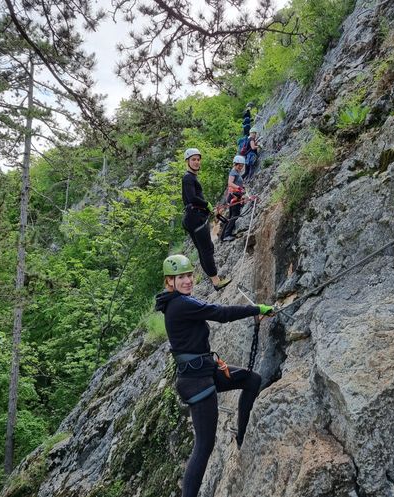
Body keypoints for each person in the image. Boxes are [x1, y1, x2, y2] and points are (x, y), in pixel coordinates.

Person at [155, 254, 274, 497]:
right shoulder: (181, 304)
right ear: (170, 281)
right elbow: (220, 313)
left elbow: (191, 342)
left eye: (189, 275)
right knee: (204, 445)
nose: (188, 280)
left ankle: (242, 437)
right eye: (181, 277)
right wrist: (256, 309)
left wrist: (213, 361)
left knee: (251, 380)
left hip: (203, 371)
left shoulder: (177, 302)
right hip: (197, 382)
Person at [182, 148, 230, 291]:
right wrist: (206, 204)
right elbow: (191, 198)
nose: (196, 162)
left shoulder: (191, 177)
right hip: (195, 218)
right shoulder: (188, 178)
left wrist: (208, 208)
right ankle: (216, 282)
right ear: (187, 161)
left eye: (198, 159)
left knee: (204, 250)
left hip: (194, 217)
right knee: (207, 250)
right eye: (193, 160)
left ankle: (214, 280)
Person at [221, 155, 246, 242]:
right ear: (235, 164)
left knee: (232, 215)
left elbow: (237, 184)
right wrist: (239, 188)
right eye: (239, 165)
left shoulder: (237, 172)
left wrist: (242, 188)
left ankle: (224, 236)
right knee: (234, 215)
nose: (241, 167)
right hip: (233, 196)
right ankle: (226, 235)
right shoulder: (233, 172)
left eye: (242, 165)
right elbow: (230, 183)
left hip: (236, 196)